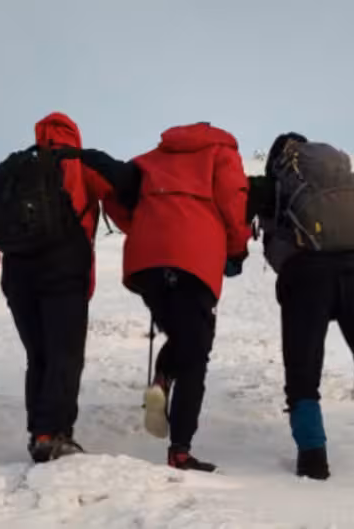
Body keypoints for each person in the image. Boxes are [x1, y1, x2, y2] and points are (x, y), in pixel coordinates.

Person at [0, 112, 128, 463]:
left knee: (39, 357)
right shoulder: (80, 163)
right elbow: (125, 188)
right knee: (65, 356)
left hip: (18, 278)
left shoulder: (17, 171)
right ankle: (53, 435)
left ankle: (39, 434)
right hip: (64, 272)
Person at [246, 132, 354, 480]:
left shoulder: (273, 185)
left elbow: (234, 203)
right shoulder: (343, 183)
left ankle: (313, 458)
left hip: (304, 279)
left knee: (303, 375)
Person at [103, 122, 251, 472]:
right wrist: (236, 248)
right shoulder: (221, 154)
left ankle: (162, 379)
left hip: (147, 262)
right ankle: (180, 450)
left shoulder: (147, 160)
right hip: (194, 258)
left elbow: (113, 195)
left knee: (185, 335)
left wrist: (142, 227)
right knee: (196, 353)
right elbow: (233, 202)